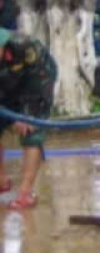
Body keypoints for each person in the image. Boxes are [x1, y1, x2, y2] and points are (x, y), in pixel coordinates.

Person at [0, 27, 56, 210]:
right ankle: (1, 180)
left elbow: (40, 82)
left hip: (37, 82)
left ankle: (25, 193)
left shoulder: (25, 47)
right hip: (6, 84)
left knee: (31, 133)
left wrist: (27, 114)